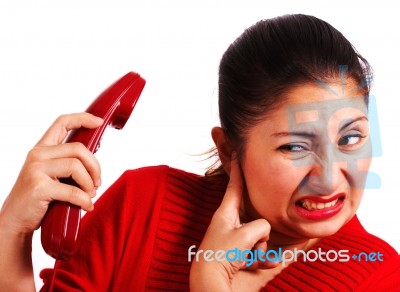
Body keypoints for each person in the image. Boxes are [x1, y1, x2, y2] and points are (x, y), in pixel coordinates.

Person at [0, 14, 399, 291]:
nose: (330, 177)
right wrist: (10, 234)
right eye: (295, 146)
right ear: (229, 151)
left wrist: (208, 282)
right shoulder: (142, 203)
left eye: (350, 139)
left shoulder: (380, 278)